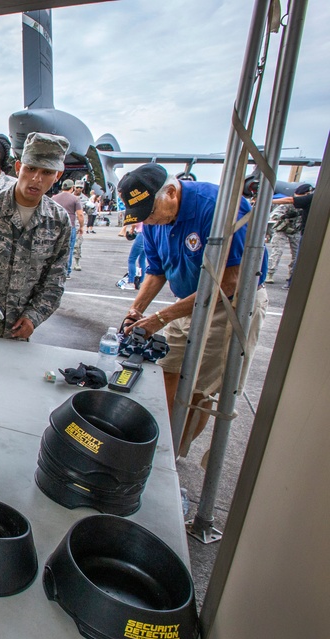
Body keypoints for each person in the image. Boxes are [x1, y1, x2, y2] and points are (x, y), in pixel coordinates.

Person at [118, 164, 268, 456]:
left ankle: (171, 458)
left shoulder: (218, 208)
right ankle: (155, 447)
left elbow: (229, 281)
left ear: (171, 192)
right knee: (165, 371)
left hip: (228, 307)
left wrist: (162, 317)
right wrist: (136, 310)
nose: (148, 220)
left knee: (199, 389)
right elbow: (156, 270)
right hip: (188, 303)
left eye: (150, 212)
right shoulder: (153, 221)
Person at [0, 132, 72, 339]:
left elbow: (55, 279)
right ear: (19, 168)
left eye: (46, 172)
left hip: (17, 331)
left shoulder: (58, 221)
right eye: (31, 169)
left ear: (57, 176)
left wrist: (33, 317)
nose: (36, 179)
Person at [50, 178, 84, 279]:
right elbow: (80, 214)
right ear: (72, 188)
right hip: (70, 226)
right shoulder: (75, 199)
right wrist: (82, 226)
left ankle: (53, 271)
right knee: (68, 249)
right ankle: (66, 272)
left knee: (54, 249)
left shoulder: (54, 198)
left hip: (55, 226)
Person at [265, 201, 303, 288]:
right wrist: (285, 216)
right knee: (277, 251)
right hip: (282, 230)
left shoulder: (306, 205)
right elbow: (274, 215)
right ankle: (270, 273)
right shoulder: (289, 204)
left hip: (295, 231)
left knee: (296, 254)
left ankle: (292, 274)